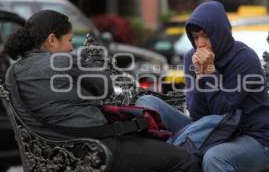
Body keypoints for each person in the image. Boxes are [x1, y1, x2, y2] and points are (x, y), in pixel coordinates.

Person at [4, 10, 197, 172]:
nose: (72, 47)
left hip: (51, 155)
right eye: (69, 40)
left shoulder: (12, 73)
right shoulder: (63, 61)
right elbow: (105, 89)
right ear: (52, 39)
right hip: (93, 149)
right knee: (184, 159)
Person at [136, 1, 269, 172]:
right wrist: (200, 76)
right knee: (147, 102)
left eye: (205, 36)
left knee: (214, 157)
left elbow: (223, 111)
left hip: (254, 139)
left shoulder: (244, 58)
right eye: (196, 37)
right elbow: (198, 114)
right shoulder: (192, 58)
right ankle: (164, 156)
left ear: (218, 33)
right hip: (210, 130)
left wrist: (209, 72)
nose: (200, 44)